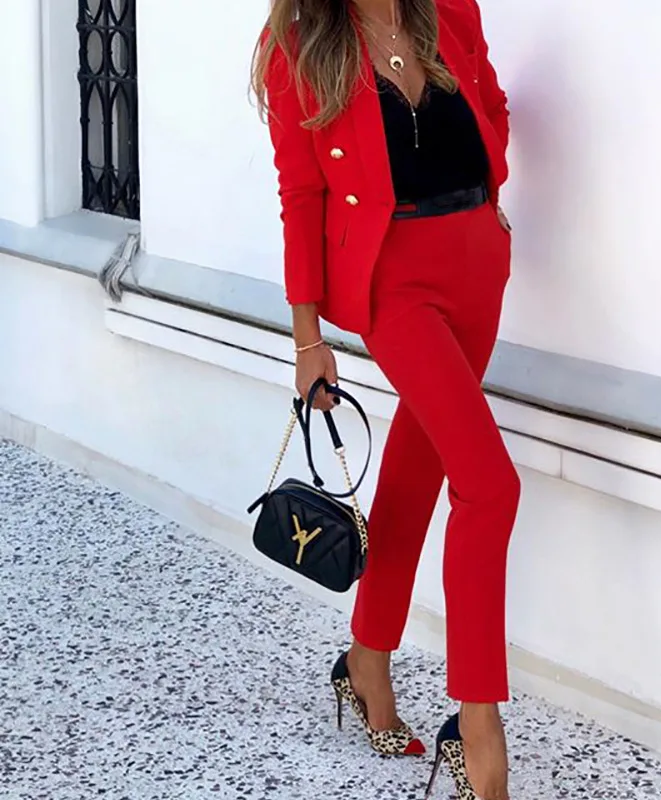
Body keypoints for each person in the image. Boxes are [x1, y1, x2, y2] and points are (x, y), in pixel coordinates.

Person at [252, 1, 519, 797]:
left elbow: (492, 103)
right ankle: (478, 726)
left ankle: (367, 654)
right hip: (394, 282)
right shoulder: (300, 45)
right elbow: (301, 194)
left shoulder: (449, 11)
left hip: (477, 263)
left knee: (418, 468)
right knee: (491, 486)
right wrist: (307, 340)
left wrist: (489, 196)